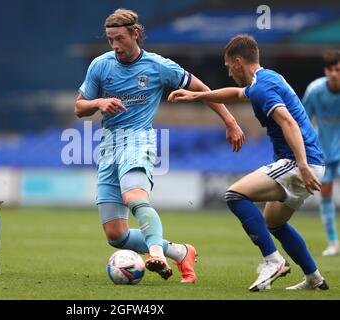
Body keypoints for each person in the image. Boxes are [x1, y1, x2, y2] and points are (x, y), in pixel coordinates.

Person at [75, 8, 245, 282]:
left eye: (120, 38)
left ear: (136, 34)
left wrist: (230, 121)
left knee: (134, 198)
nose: (115, 45)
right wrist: (97, 103)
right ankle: (180, 252)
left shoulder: (158, 66)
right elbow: (79, 107)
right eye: (110, 40)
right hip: (108, 146)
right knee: (116, 236)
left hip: (139, 139)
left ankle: (156, 253)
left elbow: (202, 89)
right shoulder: (100, 65)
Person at [168, 34, 329, 291]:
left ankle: (272, 261)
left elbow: (288, 122)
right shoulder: (265, 79)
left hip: (299, 160)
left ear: (238, 62)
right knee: (274, 223)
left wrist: (302, 164)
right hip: (307, 159)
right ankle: (314, 278)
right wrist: (197, 97)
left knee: (234, 194)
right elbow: (237, 93)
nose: (229, 72)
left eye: (228, 66)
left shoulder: (264, 87)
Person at [302, 50, 340, 256]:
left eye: (338, 69)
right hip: (324, 150)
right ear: (325, 70)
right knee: (325, 194)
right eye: (330, 69)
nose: (334, 74)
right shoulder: (315, 91)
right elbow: (303, 120)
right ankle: (333, 242)